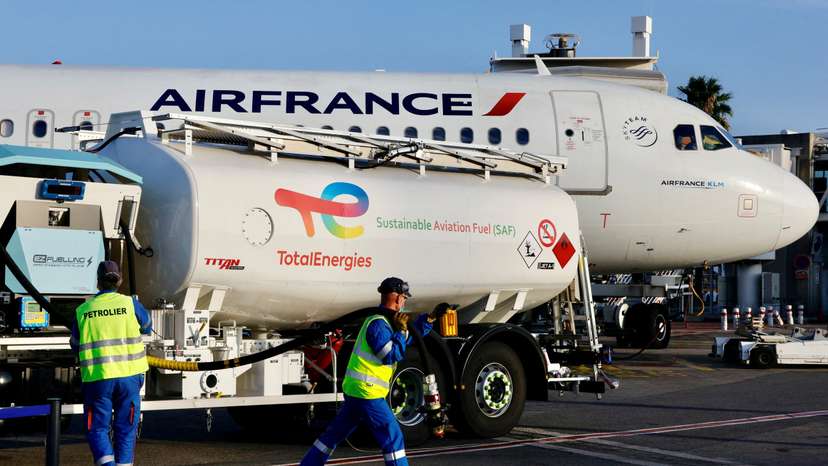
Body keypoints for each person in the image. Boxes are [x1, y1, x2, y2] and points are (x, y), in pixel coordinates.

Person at [301, 277, 436, 466]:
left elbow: (407, 340)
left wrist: (428, 320)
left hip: (358, 390)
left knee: (334, 434)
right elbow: (390, 355)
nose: (404, 302)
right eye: (404, 298)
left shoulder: (386, 321)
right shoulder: (378, 324)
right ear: (398, 298)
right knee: (392, 436)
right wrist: (400, 331)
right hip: (367, 392)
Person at [70, 261, 152, 466]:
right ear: (120, 280)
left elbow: (75, 344)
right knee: (126, 428)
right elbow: (147, 325)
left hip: (98, 378)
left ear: (98, 282)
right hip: (130, 377)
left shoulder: (82, 310)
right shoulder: (130, 304)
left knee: (98, 429)